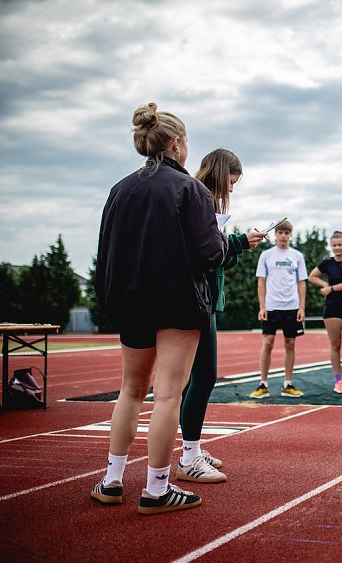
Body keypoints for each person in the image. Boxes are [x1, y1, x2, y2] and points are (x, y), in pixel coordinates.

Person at [92, 103, 226, 514]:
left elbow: (105, 251)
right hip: (178, 302)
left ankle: (111, 480)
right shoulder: (191, 189)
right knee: (168, 394)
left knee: (130, 391)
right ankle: (156, 488)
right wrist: (225, 243)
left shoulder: (120, 189)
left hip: (131, 301)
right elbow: (208, 251)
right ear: (175, 143)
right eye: (185, 140)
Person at [177, 149, 266, 484]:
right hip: (196, 300)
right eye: (231, 182)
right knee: (202, 378)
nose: (231, 190)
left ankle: (192, 450)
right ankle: (189, 455)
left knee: (192, 380)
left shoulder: (199, 197)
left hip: (203, 297)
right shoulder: (198, 196)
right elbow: (206, 253)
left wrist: (238, 246)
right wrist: (240, 243)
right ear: (219, 173)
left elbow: (218, 257)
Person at [250, 220, 307, 399]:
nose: (283, 235)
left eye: (286, 232)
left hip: (291, 306)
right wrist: (262, 306)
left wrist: (302, 307)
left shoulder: (297, 256)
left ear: (290, 234)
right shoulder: (266, 255)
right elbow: (261, 281)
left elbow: (301, 282)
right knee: (268, 343)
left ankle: (287, 384)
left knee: (290, 344)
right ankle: (263, 384)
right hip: (272, 306)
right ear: (276, 234)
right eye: (280, 232)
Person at [308, 230, 342, 393]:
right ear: (331, 246)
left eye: (340, 245)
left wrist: (331, 288)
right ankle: (339, 380)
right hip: (332, 308)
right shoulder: (327, 263)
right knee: (335, 345)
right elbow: (312, 276)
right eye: (334, 245)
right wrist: (324, 285)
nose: (337, 248)